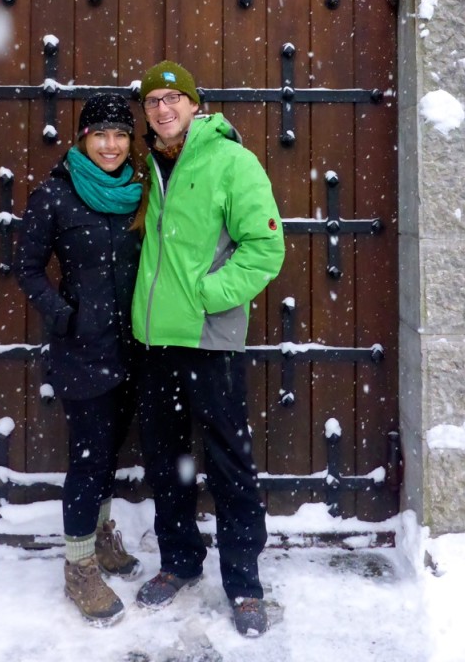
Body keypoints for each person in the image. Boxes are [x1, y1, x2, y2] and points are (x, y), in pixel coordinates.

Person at [131, 61, 285, 638]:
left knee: (227, 462)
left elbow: (265, 247)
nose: (164, 109)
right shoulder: (147, 167)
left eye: (174, 98)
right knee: (167, 461)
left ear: (196, 105)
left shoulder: (231, 162)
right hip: (153, 342)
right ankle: (178, 562)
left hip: (209, 339)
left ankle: (244, 582)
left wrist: (206, 295)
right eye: (153, 102)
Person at [14, 92, 143, 627]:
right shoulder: (55, 196)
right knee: (88, 459)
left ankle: (103, 534)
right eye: (100, 135)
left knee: (111, 449)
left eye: (119, 135)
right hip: (82, 351)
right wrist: (64, 315)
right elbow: (25, 267)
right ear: (82, 139)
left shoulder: (140, 194)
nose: (110, 145)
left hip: (134, 345)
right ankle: (79, 567)